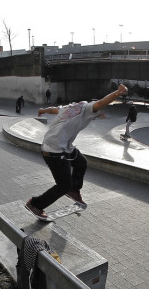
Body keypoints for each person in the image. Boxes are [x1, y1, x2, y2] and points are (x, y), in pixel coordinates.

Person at [25, 84, 128, 220]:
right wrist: (118, 93)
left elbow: (54, 110)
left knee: (81, 162)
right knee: (63, 185)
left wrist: (43, 110)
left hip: (62, 145)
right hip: (54, 150)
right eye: (96, 116)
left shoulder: (72, 107)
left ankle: (73, 190)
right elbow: (102, 103)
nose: (95, 118)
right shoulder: (88, 109)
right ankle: (35, 204)